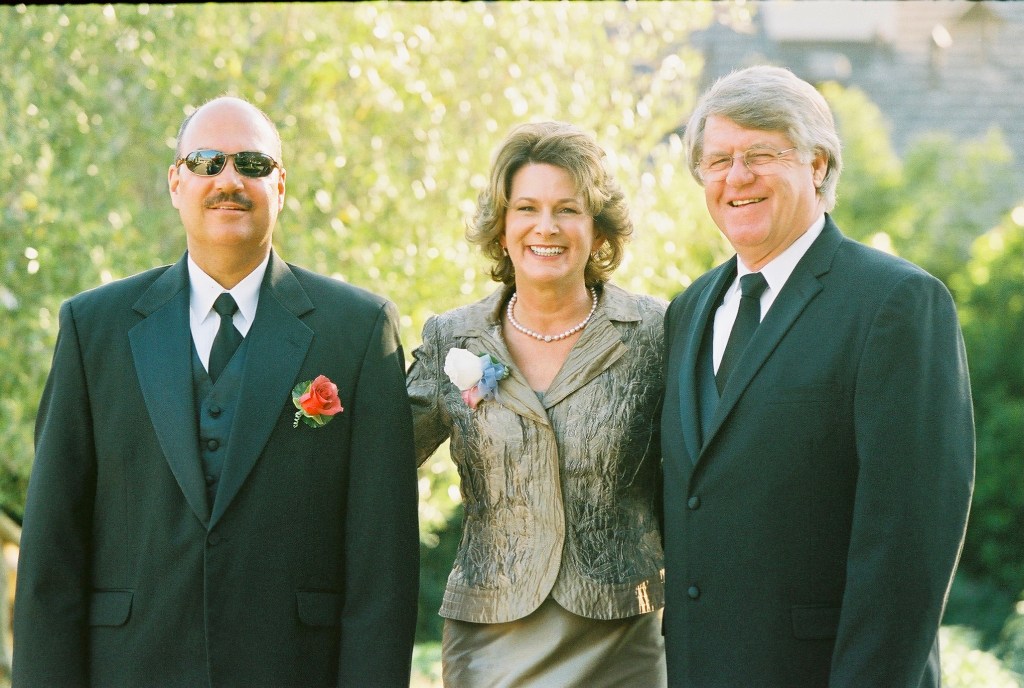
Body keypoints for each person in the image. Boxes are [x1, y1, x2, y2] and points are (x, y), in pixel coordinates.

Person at [13, 96, 420, 687]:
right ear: (175, 182)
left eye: (252, 164)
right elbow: (51, 555)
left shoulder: (359, 331)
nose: (229, 180)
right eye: (206, 162)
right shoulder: (93, 329)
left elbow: (383, 567)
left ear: (280, 185)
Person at [661, 65, 975, 687]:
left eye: (761, 154)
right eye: (718, 160)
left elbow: (907, 548)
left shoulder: (895, 303)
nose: (736, 176)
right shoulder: (688, 310)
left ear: (818, 164)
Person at [407, 120, 667, 687]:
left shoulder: (654, 332)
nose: (546, 227)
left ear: (598, 230)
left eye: (567, 209)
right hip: (488, 637)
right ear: (502, 230)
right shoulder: (453, 338)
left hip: (621, 635)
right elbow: (376, 457)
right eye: (526, 208)